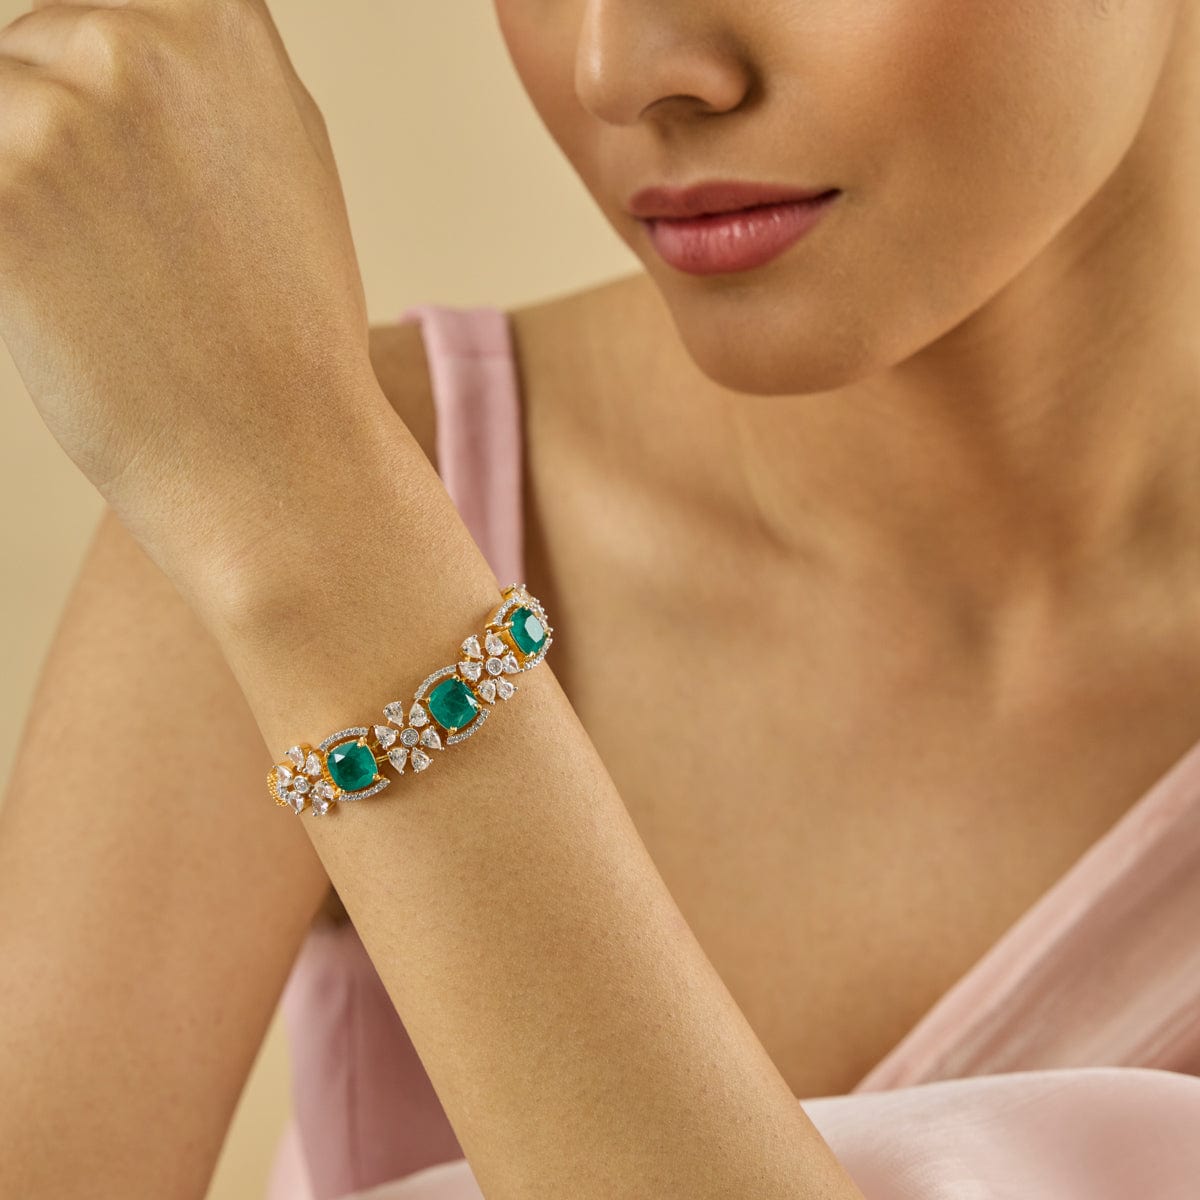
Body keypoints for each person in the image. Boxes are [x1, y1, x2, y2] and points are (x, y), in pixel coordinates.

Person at [2, 3, 1199, 1198]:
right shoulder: (304, 483)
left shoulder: (305, 512)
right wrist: (297, 506)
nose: (619, 69)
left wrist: (333, 563)